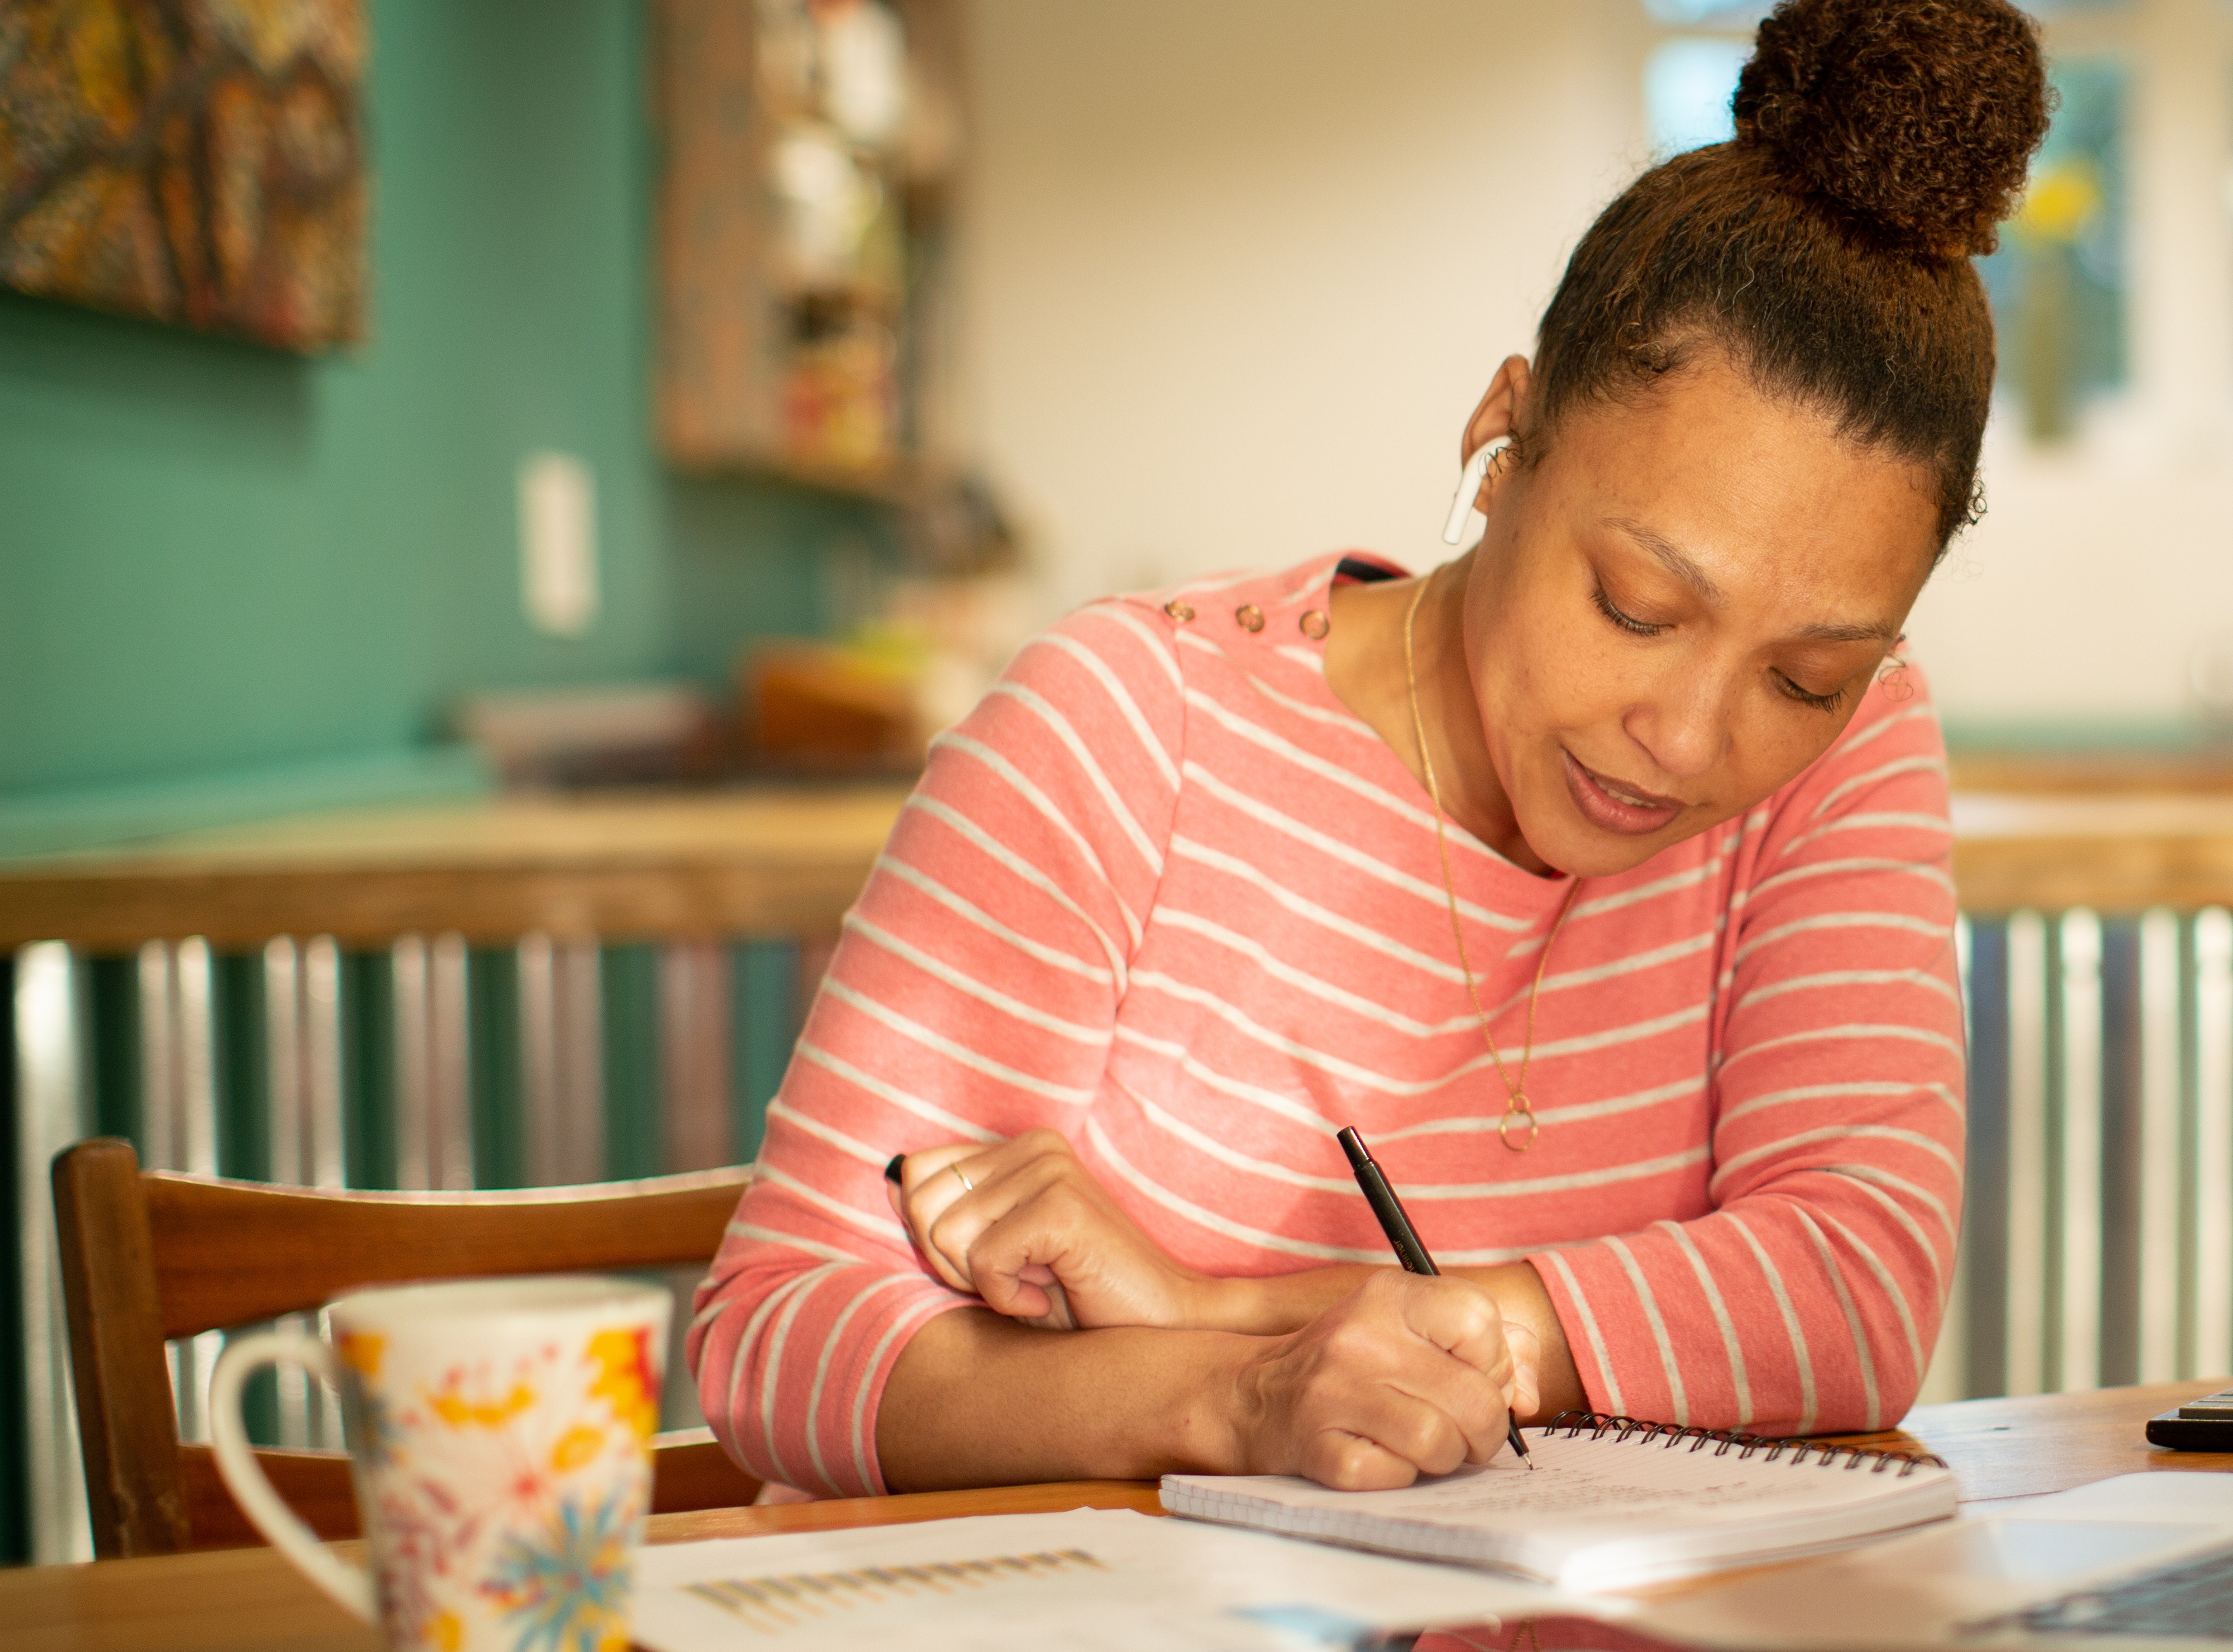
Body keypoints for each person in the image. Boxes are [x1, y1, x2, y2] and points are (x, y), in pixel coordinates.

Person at [690, 0, 2052, 1498]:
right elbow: (783, 1328)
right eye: (1636, 605)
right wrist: (1238, 1396)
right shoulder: (1131, 728)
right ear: (1503, 437)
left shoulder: (1848, 759)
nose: (1688, 738)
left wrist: (1223, 1310)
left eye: (1804, 676)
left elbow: (1851, 1287)